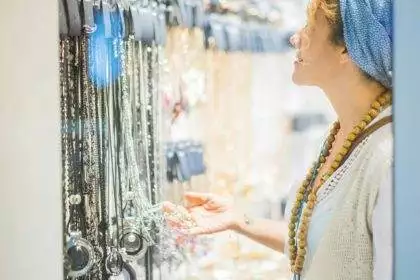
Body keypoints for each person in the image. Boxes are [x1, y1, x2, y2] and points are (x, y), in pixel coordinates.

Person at [163, 0, 393, 279]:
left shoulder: (387, 157)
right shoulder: (340, 135)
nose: (295, 37)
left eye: (309, 27)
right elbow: (321, 243)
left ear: (346, 47)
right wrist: (239, 220)